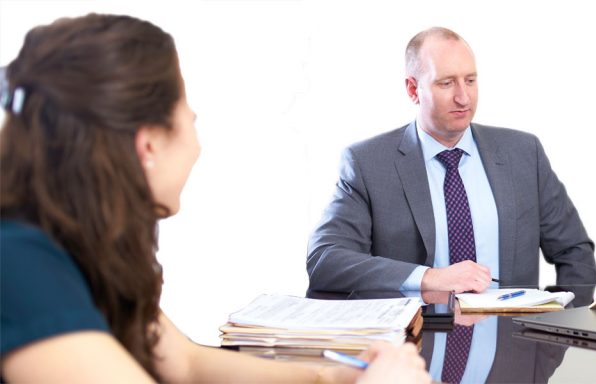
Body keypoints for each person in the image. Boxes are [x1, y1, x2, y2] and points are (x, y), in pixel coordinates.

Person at [0, 14, 428, 383]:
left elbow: (184, 363)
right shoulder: (19, 264)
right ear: (147, 145)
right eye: (189, 116)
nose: (197, 143)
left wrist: (331, 377)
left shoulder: (71, 244)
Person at [306, 27, 596, 294]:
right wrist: (428, 277)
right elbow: (326, 259)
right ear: (412, 89)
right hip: (415, 342)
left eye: (470, 81)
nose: (463, 97)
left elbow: (574, 252)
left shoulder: (523, 153)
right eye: (446, 83)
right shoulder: (369, 164)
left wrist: (562, 328)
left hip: (512, 343)